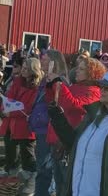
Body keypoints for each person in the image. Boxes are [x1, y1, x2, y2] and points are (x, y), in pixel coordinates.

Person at [48, 68, 108, 196]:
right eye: (101, 86)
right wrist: (57, 117)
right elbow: (73, 144)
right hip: (77, 190)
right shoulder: (92, 116)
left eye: (107, 88)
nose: (101, 91)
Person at [44, 57, 106, 195]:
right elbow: (52, 103)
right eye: (78, 67)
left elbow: (74, 105)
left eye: (81, 69)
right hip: (57, 139)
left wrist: (58, 83)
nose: (76, 71)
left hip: (70, 143)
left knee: (68, 185)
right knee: (58, 183)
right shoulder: (74, 87)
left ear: (92, 73)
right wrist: (50, 86)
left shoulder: (94, 91)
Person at [0, 58, 42, 194]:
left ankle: (31, 181)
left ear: (33, 70)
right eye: (22, 67)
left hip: (25, 126)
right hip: (11, 124)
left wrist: (9, 113)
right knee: (11, 151)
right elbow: (9, 98)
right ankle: (11, 178)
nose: (22, 70)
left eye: (26, 68)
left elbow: (28, 108)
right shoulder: (17, 82)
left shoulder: (36, 87)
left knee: (27, 154)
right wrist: (4, 109)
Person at [35, 50, 69, 196]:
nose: (42, 62)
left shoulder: (60, 81)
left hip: (51, 130)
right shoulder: (45, 80)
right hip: (42, 128)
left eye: (45, 59)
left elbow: (58, 105)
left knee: (46, 169)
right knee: (43, 168)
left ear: (54, 63)